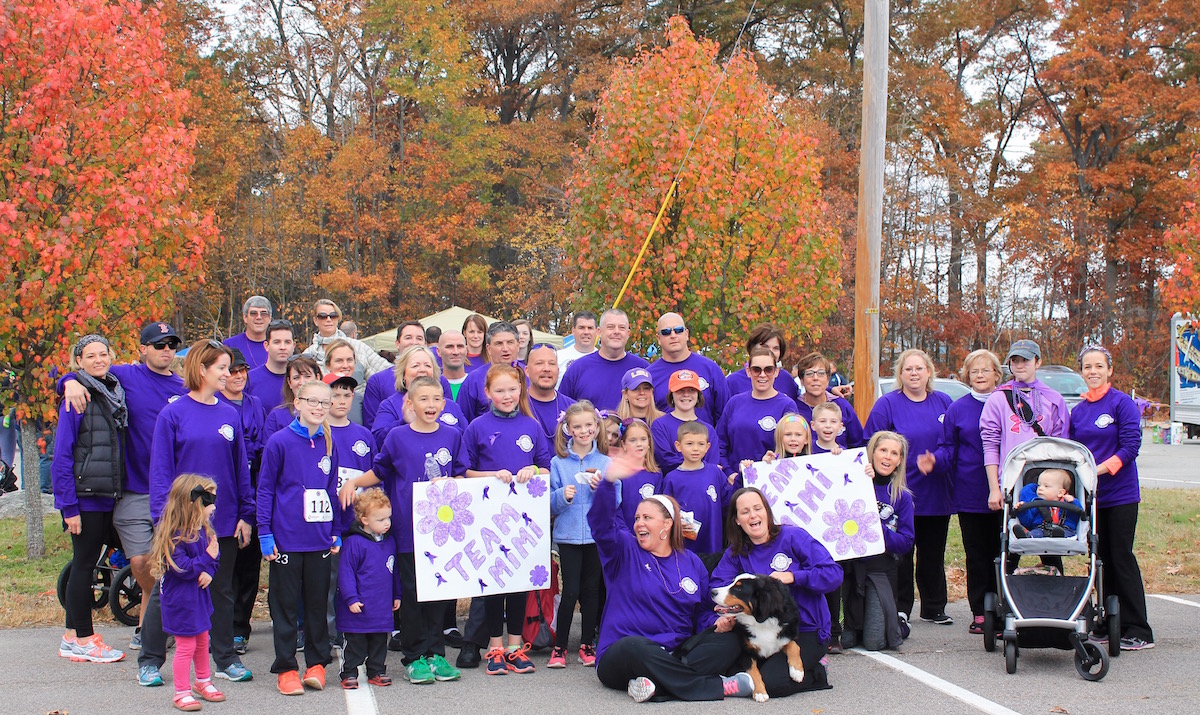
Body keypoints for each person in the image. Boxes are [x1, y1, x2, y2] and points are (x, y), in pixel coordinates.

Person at [59, 321, 188, 675]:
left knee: (172, 564)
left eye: (171, 344)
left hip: (168, 494)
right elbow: (81, 373)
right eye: (158, 344)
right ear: (142, 349)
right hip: (124, 491)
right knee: (137, 565)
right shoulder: (125, 377)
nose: (165, 349)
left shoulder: (183, 386)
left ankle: (149, 631)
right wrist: (66, 382)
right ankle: (87, 635)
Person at [588, 454, 755, 702]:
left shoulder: (692, 562)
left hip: (676, 652)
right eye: (636, 518)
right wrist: (609, 482)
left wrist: (716, 623)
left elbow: (703, 613)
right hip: (626, 654)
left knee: (730, 640)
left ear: (667, 524)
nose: (638, 524)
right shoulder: (623, 550)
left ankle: (654, 685)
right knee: (635, 647)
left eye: (647, 518)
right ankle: (717, 687)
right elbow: (601, 524)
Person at [339, 375, 465, 683]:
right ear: (409, 403)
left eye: (437, 399)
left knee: (439, 595)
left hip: (441, 532)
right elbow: (379, 470)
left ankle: (436, 654)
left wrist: (453, 482)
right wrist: (355, 482)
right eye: (423, 399)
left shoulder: (452, 435)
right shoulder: (397, 436)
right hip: (408, 532)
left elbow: (461, 475)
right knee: (411, 594)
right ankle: (414, 656)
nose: (431, 405)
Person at [149, 339, 255, 684]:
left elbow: (240, 468)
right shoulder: (173, 413)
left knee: (220, 589)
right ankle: (150, 660)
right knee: (170, 588)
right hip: (182, 524)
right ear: (201, 370)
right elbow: (162, 471)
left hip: (221, 521)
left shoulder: (229, 414)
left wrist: (245, 513)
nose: (228, 374)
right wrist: (162, 519)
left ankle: (224, 659)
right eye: (222, 368)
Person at [456, 365, 552, 673]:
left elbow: (546, 467)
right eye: (499, 390)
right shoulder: (477, 427)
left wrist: (531, 471)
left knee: (518, 583)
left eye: (512, 389)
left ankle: (514, 645)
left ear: (520, 390)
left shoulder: (532, 426)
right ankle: (494, 647)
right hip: (490, 519)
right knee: (494, 584)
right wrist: (490, 475)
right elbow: (464, 471)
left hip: (522, 520)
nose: (507, 395)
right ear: (487, 393)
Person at [712, 487, 843, 693]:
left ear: (767, 511)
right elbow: (717, 585)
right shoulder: (737, 551)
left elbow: (833, 574)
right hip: (764, 630)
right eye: (745, 512)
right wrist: (725, 615)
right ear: (737, 520)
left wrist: (794, 577)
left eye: (758, 508)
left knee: (773, 683)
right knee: (734, 662)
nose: (753, 515)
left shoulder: (793, 537)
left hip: (806, 630)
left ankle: (817, 672)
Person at [257, 379, 341, 695]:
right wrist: (265, 532)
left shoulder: (331, 443)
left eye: (324, 403)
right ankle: (287, 667)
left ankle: (316, 664)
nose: (319, 408)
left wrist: (335, 530)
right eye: (313, 401)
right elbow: (265, 489)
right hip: (286, 540)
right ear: (298, 402)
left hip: (319, 539)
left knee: (318, 604)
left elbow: (331, 490)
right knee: (285, 606)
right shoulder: (279, 442)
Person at [1069, 344, 1154, 650]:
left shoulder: (1122, 404)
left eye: (1099, 366)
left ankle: (1138, 629)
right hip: (1092, 498)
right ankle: (1106, 622)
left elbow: (1130, 447)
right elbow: (1073, 451)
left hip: (1120, 495)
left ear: (1110, 370)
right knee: (1099, 561)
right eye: (1087, 367)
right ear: (1082, 372)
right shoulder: (1077, 411)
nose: (1093, 372)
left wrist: (1099, 469)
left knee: (1121, 558)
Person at [863, 348, 954, 627]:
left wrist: (936, 460)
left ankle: (934, 606)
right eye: (908, 369)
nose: (914, 373)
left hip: (935, 489)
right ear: (899, 375)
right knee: (900, 552)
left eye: (919, 368)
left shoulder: (944, 402)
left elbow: (952, 445)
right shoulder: (887, 404)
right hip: (897, 493)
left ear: (929, 372)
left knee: (932, 551)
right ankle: (901, 607)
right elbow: (871, 444)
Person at [53, 335, 127, 664]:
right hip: (86, 496)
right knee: (83, 566)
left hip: (105, 493)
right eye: (90, 355)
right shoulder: (77, 397)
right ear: (78, 361)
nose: (99, 360)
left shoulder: (112, 391)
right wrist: (69, 507)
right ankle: (85, 637)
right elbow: (61, 455)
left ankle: (71, 637)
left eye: (103, 354)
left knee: (84, 564)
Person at [926, 349, 1003, 635]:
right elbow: (948, 449)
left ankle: (1005, 606)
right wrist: (934, 461)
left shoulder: (1009, 403)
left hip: (1007, 490)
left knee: (1006, 552)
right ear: (967, 376)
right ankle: (981, 611)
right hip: (972, 490)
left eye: (985, 370)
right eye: (974, 371)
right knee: (977, 553)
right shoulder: (958, 409)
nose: (980, 375)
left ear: (997, 374)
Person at [152, 476, 225, 712]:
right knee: (185, 646)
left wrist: (210, 571)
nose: (213, 507)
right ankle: (181, 691)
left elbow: (213, 558)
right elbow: (182, 568)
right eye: (209, 501)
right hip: (180, 602)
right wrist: (207, 560)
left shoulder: (203, 530)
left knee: (203, 640)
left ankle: (202, 681)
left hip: (198, 598)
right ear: (193, 504)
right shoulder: (174, 536)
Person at [548, 401, 611, 669]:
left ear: (597, 428)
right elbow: (548, 503)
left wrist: (601, 490)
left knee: (590, 592)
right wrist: (562, 496)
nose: (584, 431)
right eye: (577, 427)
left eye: (588, 425)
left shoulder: (606, 462)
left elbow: (615, 501)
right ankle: (560, 647)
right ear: (568, 429)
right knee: (570, 591)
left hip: (596, 537)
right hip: (568, 537)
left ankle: (587, 645)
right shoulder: (558, 462)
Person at [841, 431, 915, 651]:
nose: (888, 457)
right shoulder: (855, 484)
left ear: (899, 460)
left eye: (894, 453)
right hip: (854, 569)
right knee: (847, 641)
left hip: (881, 570)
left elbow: (906, 541)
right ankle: (856, 623)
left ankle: (899, 623)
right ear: (871, 453)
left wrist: (877, 530)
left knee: (874, 642)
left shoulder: (902, 496)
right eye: (883, 450)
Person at [217, 349, 267, 656]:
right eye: (232, 370)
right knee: (224, 566)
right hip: (223, 488)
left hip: (252, 484)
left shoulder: (254, 403)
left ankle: (239, 628)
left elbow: (260, 445)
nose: (237, 376)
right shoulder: (214, 404)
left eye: (242, 370)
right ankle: (217, 627)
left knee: (248, 566)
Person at [324, 373, 376, 651]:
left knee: (359, 576)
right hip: (330, 521)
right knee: (332, 580)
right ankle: (331, 632)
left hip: (359, 520)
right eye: (335, 395)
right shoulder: (320, 433)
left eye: (347, 395)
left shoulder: (363, 434)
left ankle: (363, 627)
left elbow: (375, 473)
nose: (342, 400)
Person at [337, 488, 402, 689]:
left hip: (381, 605)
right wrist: (350, 598)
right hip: (359, 606)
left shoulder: (390, 542)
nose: (387, 523)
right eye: (381, 519)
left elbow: (394, 570)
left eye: (388, 518)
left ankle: (377, 670)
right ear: (365, 520)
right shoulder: (354, 543)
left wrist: (396, 594)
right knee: (355, 641)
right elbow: (346, 573)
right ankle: (349, 672)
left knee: (378, 641)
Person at [716, 348, 799, 485]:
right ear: (748, 371)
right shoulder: (734, 403)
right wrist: (728, 473)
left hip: (773, 483)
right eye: (756, 370)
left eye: (768, 369)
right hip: (736, 482)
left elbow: (794, 447)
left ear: (776, 372)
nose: (762, 375)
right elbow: (720, 442)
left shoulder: (787, 406)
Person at [661, 421, 732, 561]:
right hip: (684, 549)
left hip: (713, 544)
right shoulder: (671, 478)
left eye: (700, 444)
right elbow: (665, 513)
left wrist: (743, 476)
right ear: (678, 446)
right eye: (689, 444)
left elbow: (729, 501)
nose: (695, 449)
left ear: (707, 447)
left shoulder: (714, 473)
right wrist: (676, 525)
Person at [371, 346, 464, 444]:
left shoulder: (450, 405)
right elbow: (378, 442)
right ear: (403, 374)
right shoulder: (389, 405)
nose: (422, 370)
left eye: (428, 365)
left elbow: (466, 441)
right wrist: (404, 422)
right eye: (415, 366)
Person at [647, 313, 728, 425]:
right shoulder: (650, 376)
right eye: (666, 332)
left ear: (686, 334)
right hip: (665, 442)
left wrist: (715, 442)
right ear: (658, 338)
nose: (673, 335)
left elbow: (724, 416)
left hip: (706, 441)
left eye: (678, 330)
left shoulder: (710, 369)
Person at [560, 309, 649, 411]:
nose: (616, 332)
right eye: (610, 327)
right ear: (599, 332)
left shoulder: (643, 369)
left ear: (628, 333)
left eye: (622, 328)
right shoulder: (578, 369)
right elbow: (562, 411)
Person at [651, 369, 724, 474]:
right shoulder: (660, 426)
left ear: (698, 395)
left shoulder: (708, 430)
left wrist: (703, 468)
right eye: (680, 390)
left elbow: (712, 465)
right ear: (671, 395)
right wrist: (699, 466)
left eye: (691, 390)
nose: (686, 395)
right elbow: (666, 461)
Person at [301, 299, 390, 378]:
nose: (328, 319)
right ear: (315, 320)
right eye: (322, 316)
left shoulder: (357, 346)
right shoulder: (308, 355)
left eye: (333, 315)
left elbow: (386, 371)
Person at [362, 320, 426, 427]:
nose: (414, 342)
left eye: (419, 338)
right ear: (397, 343)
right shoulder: (377, 381)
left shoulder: (439, 380)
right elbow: (372, 427)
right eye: (408, 337)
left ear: (425, 344)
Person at [794, 352, 864, 449]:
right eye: (809, 374)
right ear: (802, 380)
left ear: (827, 379)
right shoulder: (794, 409)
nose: (815, 378)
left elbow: (858, 444)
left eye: (821, 373)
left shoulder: (842, 406)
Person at [456, 321, 523, 422]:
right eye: (499, 343)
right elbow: (462, 419)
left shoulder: (529, 375)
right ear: (489, 348)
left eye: (510, 342)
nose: (505, 348)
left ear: (518, 345)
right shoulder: (474, 379)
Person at [725, 324, 799, 400]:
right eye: (765, 346)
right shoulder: (734, 381)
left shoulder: (786, 380)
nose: (770, 352)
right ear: (752, 348)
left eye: (776, 348)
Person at [615, 419, 663, 532]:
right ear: (623, 444)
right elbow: (615, 508)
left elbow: (658, 507)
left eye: (643, 439)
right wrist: (625, 533)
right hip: (622, 536)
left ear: (649, 443)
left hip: (648, 534)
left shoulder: (656, 474)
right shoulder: (618, 473)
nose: (639, 444)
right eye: (633, 440)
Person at [262, 356, 322, 437]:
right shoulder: (276, 417)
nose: (302, 382)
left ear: (317, 378)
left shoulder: (326, 412)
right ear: (289, 382)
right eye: (296, 378)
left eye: (307, 376)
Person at [527, 343, 575, 443]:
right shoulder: (515, 407)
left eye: (552, 364)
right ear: (527, 371)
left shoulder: (573, 409)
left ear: (557, 370)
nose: (546, 369)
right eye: (539, 363)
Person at [245, 320, 295, 412]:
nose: (282, 347)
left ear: (293, 345)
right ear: (266, 346)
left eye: (287, 342)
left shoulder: (300, 380)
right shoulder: (250, 380)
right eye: (277, 342)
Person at [1013, 468, 1078, 538]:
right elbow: (1027, 521)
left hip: (1065, 530)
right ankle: (1027, 536)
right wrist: (1023, 510)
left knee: (1064, 532)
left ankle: (1058, 536)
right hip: (1040, 530)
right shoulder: (1036, 503)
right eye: (1039, 485)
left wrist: (1073, 502)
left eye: (1046, 486)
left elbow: (1077, 514)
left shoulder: (1068, 504)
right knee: (1035, 533)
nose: (1040, 488)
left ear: (1060, 493)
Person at [223, 296, 272, 369]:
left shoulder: (279, 345)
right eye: (253, 313)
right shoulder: (229, 345)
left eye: (263, 313)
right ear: (245, 318)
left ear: (270, 318)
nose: (259, 317)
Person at [556, 311, 598, 384]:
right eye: (581, 328)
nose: (586, 332)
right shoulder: (558, 357)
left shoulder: (603, 359)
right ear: (573, 331)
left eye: (590, 328)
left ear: (597, 331)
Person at [438, 330, 469, 400]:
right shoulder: (432, 385)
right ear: (438, 351)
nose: (456, 352)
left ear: (466, 350)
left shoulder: (477, 383)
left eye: (460, 346)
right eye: (449, 347)